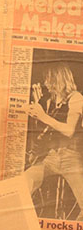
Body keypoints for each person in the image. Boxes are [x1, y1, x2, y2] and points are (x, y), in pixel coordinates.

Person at [26, 63, 83, 218]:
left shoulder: (76, 98)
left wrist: (43, 116)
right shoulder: (51, 100)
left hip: (71, 158)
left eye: (48, 79)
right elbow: (47, 131)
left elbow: (69, 130)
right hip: (51, 157)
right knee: (23, 183)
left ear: (58, 79)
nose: (45, 83)